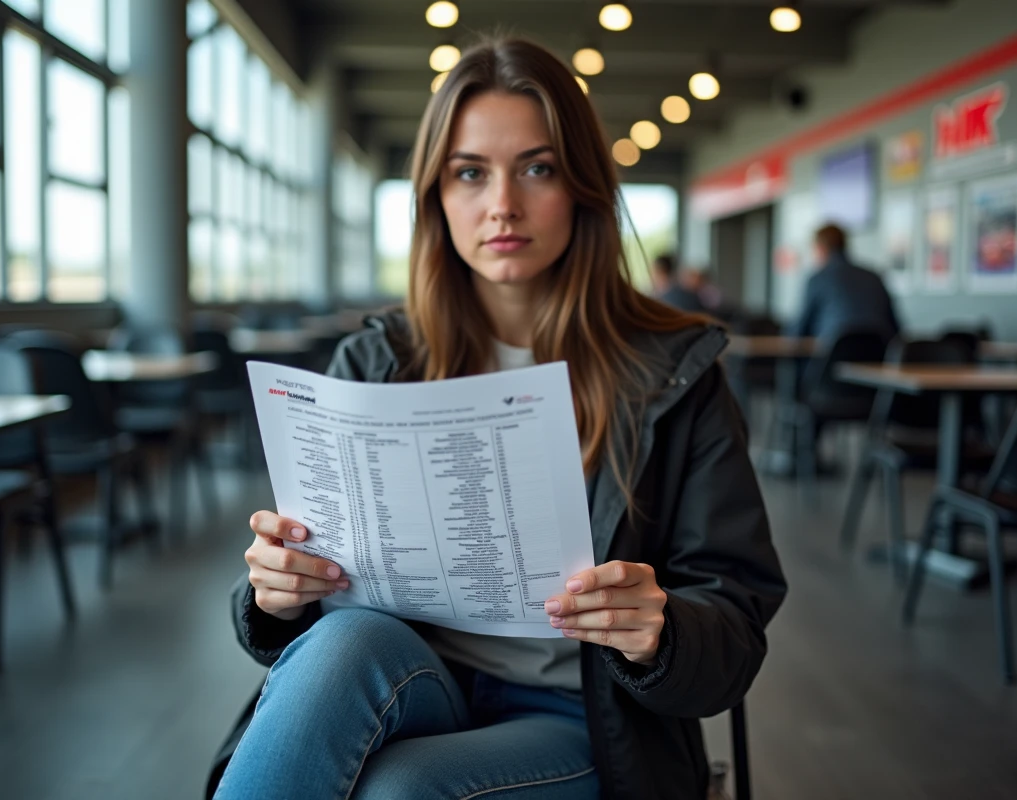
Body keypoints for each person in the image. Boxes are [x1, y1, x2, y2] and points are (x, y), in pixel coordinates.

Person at [216, 37, 786, 800]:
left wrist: (661, 631)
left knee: (401, 791)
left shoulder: (673, 374)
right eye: (470, 173)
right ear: (436, 194)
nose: (503, 205)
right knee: (340, 642)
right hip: (408, 680)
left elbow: (734, 619)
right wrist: (275, 593)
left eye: (538, 168)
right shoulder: (376, 362)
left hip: (580, 713)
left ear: (582, 186)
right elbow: (299, 612)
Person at [788, 223, 900, 342]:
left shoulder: (818, 279)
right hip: (878, 356)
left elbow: (799, 330)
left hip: (833, 357)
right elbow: (896, 329)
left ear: (820, 248)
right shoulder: (874, 277)